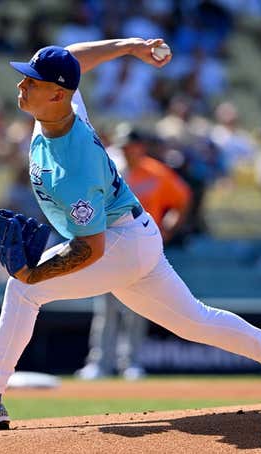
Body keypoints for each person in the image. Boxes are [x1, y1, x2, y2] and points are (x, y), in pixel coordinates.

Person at [0, 38, 261, 435]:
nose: (21, 85)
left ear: (57, 94)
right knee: (196, 321)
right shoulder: (65, 109)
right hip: (134, 235)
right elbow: (71, 58)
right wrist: (129, 46)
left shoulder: (73, 167)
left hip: (117, 243)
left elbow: (91, 249)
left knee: (22, 291)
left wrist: (34, 275)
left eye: (32, 80)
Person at [75, 125, 193, 380]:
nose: (128, 150)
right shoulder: (109, 167)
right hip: (109, 245)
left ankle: (131, 362)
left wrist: (170, 226)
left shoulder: (156, 172)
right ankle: (99, 363)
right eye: (124, 145)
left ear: (141, 147)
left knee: (138, 308)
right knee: (105, 307)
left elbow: (182, 198)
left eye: (132, 145)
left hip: (142, 248)